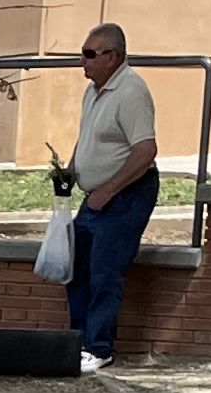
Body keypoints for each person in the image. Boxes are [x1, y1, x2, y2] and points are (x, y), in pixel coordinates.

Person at [64, 22, 158, 374]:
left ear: (113, 56)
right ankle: (78, 340)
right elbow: (88, 136)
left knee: (105, 270)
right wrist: (71, 171)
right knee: (77, 266)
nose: (83, 62)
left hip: (126, 195)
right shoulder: (94, 90)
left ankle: (98, 346)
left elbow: (145, 150)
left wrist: (110, 189)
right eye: (83, 54)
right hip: (95, 196)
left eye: (90, 54)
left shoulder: (130, 91)